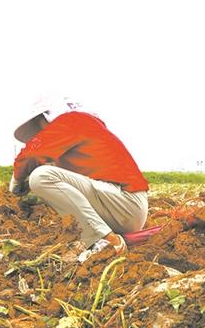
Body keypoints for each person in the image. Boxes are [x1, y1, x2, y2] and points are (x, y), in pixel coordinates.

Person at [10, 96, 148, 263]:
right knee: (47, 178)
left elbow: (31, 154)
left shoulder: (73, 120)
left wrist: (16, 183)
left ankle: (104, 240)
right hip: (120, 208)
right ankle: (100, 236)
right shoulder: (84, 127)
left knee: (41, 176)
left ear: (44, 117)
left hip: (125, 203)